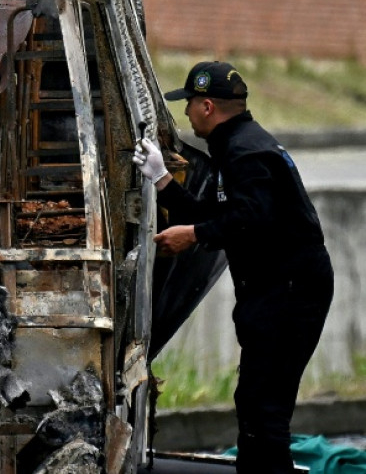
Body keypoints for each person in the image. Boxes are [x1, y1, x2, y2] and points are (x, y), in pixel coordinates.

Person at [133, 61, 333, 474]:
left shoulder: (245, 152)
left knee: (265, 408)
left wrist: (193, 235)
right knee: (257, 404)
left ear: (207, 106)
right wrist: (162, 180)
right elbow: (216, 213)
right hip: (279, 290)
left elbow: (251, 218)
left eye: (189, 103)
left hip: (288, 291)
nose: (186, 111)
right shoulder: (239, 145)